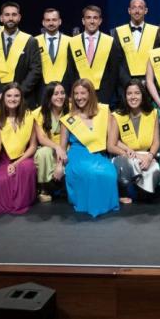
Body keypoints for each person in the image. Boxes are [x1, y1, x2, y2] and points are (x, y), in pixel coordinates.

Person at [60, 78, 119, 217]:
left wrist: (129, 151)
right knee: (91, 173)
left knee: (109, 173)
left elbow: (112, 140)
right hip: (77, 155)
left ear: (90, 93)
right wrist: (59, 165)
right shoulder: (68, 119)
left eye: (83, 93)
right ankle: (91, 204)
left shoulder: (104, 111)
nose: (79, 97)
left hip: (98, 155)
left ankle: (105, 202)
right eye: (76, 94)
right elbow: (62, 148)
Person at [107, 79, 160, 203]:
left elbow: (156, 142)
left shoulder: (153, 113)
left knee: (153, 170)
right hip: (125, 156)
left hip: (145, 156)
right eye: (129, 93)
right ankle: (125, 192)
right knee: (130, 164)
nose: (133, 97)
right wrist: (132, 153)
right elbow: (111, 146)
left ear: (143, 96)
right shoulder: (117, 115)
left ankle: (139, 192)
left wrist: (149, 156)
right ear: (125, 96)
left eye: (137, 93)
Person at [0, 82, 39, 215]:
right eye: (9, 96)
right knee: (1, 181)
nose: (13, 99)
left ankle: (22, 202)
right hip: (4, 158)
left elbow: (33, 146)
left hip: (24, 157)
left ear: (21, 98)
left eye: (16, 96)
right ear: (3, 98)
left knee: (26, 169)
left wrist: (16, 163)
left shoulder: (29, 116)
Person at [0, 2, 42, 108]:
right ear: (1, 18)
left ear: (19, 17)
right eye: (7, 15)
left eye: (14, 14)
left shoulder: (30, 41)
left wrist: (18, 93)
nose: (10, 18)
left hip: (23, 99)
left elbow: (35, 70)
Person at [68, 5, 122, 105]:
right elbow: (71, 71)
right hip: (79, 94)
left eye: (95, 18)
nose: (92, 21)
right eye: (88, 18)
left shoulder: (110, 41)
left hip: (104, 95)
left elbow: (114, 72)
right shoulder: (73, 42)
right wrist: (75, 93)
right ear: (83, 21)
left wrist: (107, 95)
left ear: (100, 21)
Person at [31, 81, 68, 202]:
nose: (60, 96)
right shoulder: (38, 113)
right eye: (55, 93)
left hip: (68, 146)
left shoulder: (71, 109)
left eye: (62, 93)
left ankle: (63, 187)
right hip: (49, 147)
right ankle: (44, 188)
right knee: (44, 153)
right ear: (49, 96)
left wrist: (61, 153)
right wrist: (57, 148)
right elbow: (42, 139)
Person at [116, 0, 160, 86]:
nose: (137, 11)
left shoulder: (156, 31)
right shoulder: (117, 32)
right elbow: (117, 62)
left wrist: (148, 81)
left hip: (150, 84)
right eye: (134, 8)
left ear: (146, 10)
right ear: (129, 10)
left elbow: (159, 59)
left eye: (140, 7)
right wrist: (128, 83)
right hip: (125, 85)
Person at [34, 8, 71, 102]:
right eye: (48, 20)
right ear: (43, 22)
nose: (51, 23)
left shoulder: (70, 41)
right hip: (41, 91)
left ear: (60, 21)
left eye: (54, 20)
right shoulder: (34, 41)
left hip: (65, 90)